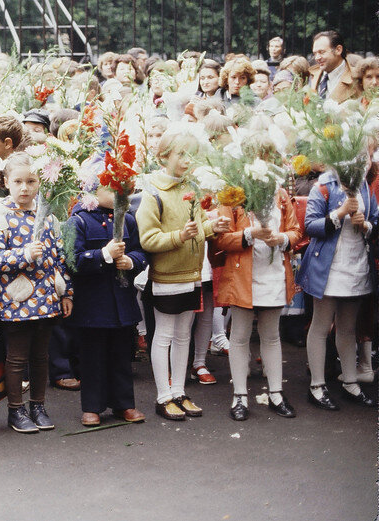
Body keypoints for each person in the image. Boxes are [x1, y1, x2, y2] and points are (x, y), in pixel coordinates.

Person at [136, 130, 230, 421]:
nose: (187, 161)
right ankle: (163, 395)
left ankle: (179, 391)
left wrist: (215, 226)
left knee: (183, 335)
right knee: (163, 336)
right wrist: (180, 235)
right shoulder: (152, 192)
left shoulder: (193, 188)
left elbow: (200, 225)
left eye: (191, 155)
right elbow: (147, 239)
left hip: (192, 274)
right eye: (181, 154)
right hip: (166, 276)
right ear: (164, 157)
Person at [0, 152, 74, 433]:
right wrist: (23, 254)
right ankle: (16, 410)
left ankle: (38, 405)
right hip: (17, 300)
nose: (24, 188)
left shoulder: (47, 217)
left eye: (31, 181)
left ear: (39, 183)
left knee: (40, 356)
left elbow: (60, 257)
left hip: (47, 298)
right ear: (6, 182)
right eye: (18, 181)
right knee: (17, 358)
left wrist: (66, 292)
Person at [213, 139, 302, 421]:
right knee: (238, 337)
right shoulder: (232, 195)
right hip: (243, 276)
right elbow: (221, 240)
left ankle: (276, 393)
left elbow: (296, 232)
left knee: (271, 335)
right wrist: (251, 234)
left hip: (273, 272)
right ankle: (239, 395)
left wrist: (282, 238)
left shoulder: (281, 194)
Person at [296, 162, 378, 411]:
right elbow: (310, 226)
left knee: (348, 328)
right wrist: (340, 213)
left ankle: (350, 382)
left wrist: (365, 225)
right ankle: (317, 386)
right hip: (328, 267)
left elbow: (375, 220)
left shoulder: (364, 185)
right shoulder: (324, 185)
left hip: (356, 264)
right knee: (321, 325)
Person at [64, 184, 147, 426]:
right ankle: (92, 406)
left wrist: (131, 262)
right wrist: (103, 255)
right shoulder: (78, 221)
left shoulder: (128, 220)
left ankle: (124, 403)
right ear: (92, 190)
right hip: (93, 303)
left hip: (121, 300)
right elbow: (73, 261)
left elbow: (141, 252)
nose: (119, 195)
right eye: (111, 189)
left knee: (121, 355)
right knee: (92, 356)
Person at [309, 30, 360, 102]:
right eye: (315, 53)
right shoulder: (311, 76)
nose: (317, 58)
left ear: (338, 50)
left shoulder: (357, 78)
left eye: (322, 52)